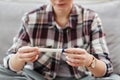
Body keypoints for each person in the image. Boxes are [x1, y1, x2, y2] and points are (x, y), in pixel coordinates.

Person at [0, 0, 120, 80]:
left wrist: (89, 61)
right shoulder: (30, 18)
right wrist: (19, 58)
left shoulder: (91, 18)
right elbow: (9, 62)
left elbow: (106, 68)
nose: (58, 0)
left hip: (82, 78)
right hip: (38, 77)